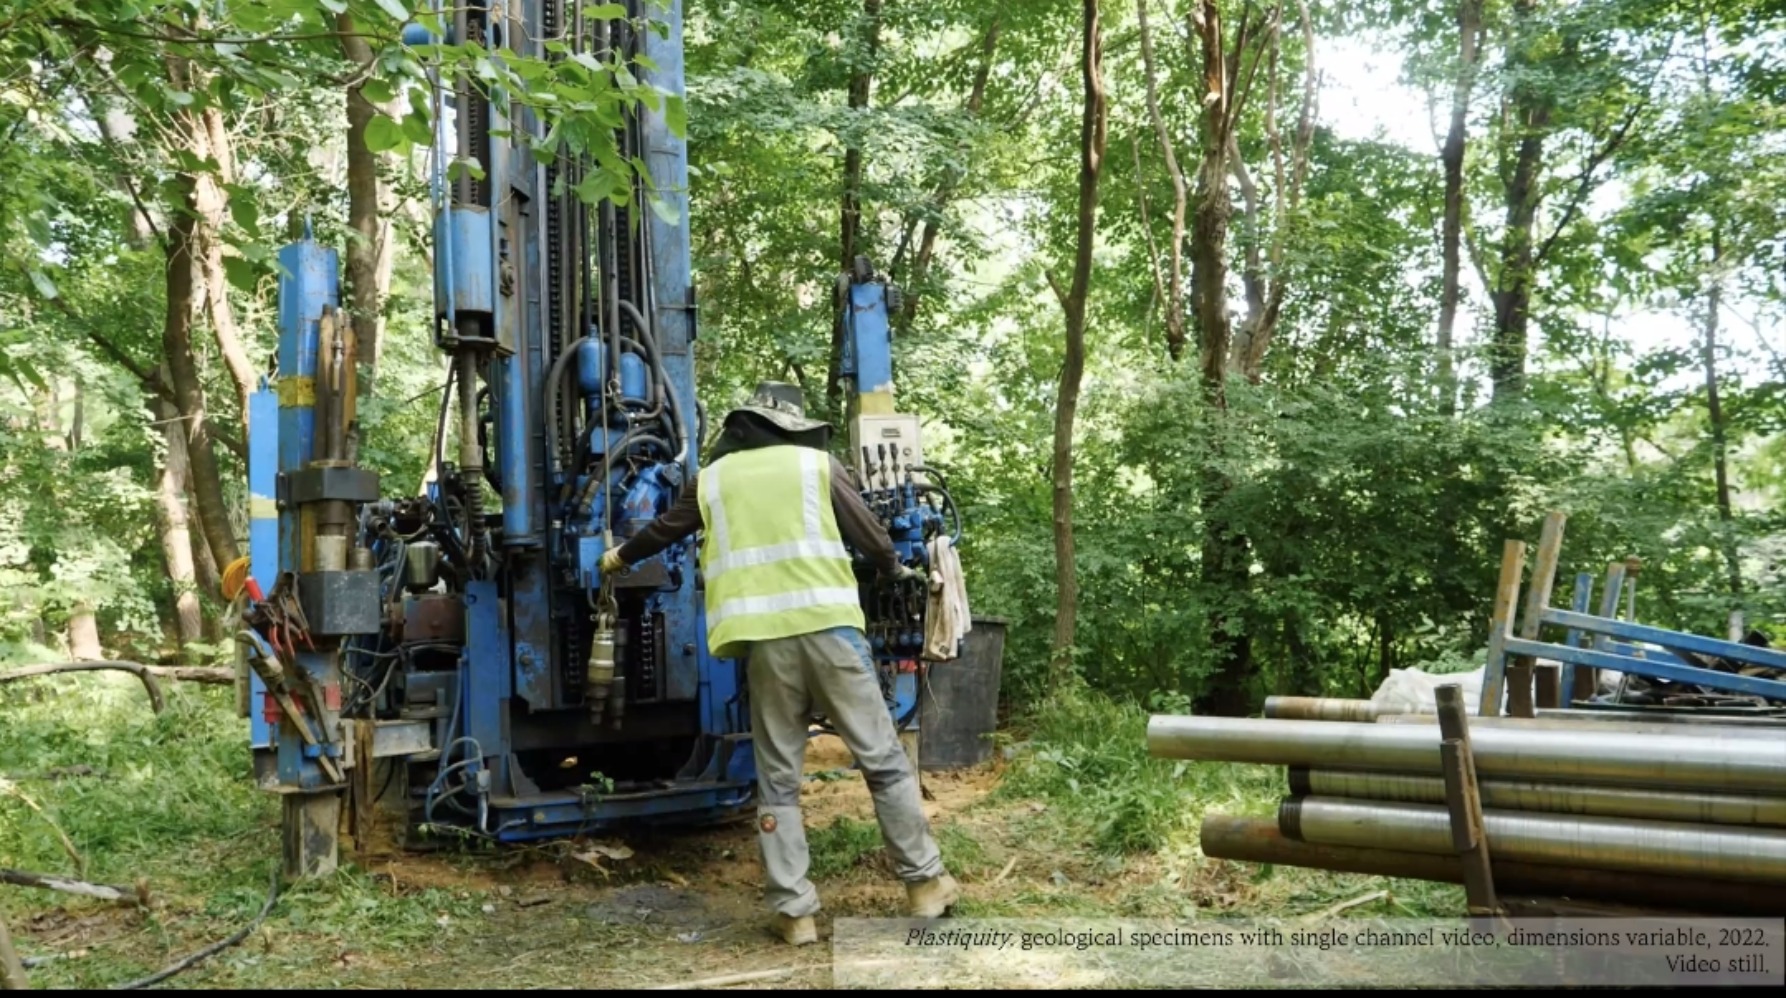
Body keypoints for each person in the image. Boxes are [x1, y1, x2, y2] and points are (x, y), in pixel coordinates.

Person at [600, 382, 960, 946]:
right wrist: (893, 568)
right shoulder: (815, 465)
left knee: (778, 779)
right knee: (882, 761)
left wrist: (615, 556)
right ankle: (924, 886)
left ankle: (795, 913)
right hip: (830, 633)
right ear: (790, 425)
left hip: (764, 643)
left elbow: (664, 529)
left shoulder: (713, 480)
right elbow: (870, 535)